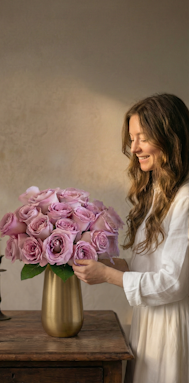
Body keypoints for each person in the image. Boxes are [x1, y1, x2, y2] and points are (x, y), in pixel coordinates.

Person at [72, 94, 189, 383]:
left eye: (143, 137)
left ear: (170, 138)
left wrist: (109, 276)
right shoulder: (158, 193)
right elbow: (151, 267)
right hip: (149, 321)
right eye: (132, 138)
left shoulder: (186, 199)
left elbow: (173, 282)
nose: (134, 147)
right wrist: (110, 264)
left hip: (170, 328)